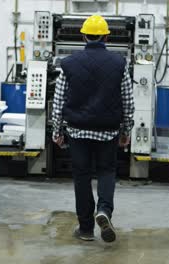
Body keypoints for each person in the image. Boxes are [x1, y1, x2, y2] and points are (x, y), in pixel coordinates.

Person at [51, 14, 134, 243]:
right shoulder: (119, 64)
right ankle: (104, 211)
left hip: (77, 130)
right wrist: (126, 130)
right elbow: (128, 100)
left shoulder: (68, 64)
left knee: (81, 176)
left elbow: (58, 101)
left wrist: (57, 131)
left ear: (84, 36)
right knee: (107, 171)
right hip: (107, 130)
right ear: (107, 37)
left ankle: (86, 229)